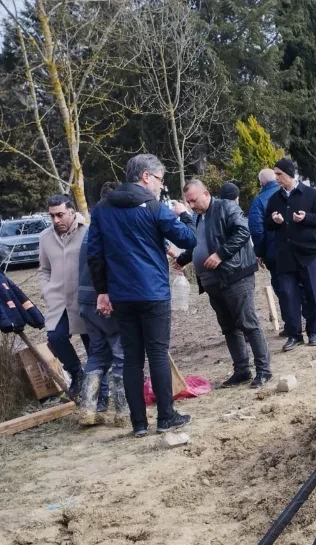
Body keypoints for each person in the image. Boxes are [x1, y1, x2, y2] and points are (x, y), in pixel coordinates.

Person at [86, 154, 197, 437]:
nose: (161, 185)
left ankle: (138, 423)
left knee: (132, 357)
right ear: (145, 177)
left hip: (122, 294)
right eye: (160, 179)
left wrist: (102, 291)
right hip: (152, 291)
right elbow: (189, 238)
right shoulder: (154, 207)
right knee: (157, 353)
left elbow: (94, 255)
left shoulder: (101, 209)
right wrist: (184, 214)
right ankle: (166, 417)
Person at [176, 179, 271, 388]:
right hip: (212, 281)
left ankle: (264, 370)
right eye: (188, 202)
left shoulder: (226, 207)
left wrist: (221, 254)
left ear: (206, 194)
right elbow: (198, 244)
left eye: (193, 200)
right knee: (228, 327)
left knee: (248, 323)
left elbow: (243, 232)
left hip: (235, 276)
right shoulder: (198, 217)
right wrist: (182, 259)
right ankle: (242, 370)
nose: (191, 205)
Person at [264, 157, 316, 351]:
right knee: (288, 295)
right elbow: (266, 224)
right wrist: (274, 220)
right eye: (275, 174)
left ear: (289, 174)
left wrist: (306, 218)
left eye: (279, 174)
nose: (276, 178)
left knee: (311, 293)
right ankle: (294, 335)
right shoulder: (274, 199)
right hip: (285, 255)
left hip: (308, 253)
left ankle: (313, 331)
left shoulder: (311, 194)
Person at [77, 182, 125, 427]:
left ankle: (87, 408)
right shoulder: (110, 228)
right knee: (122, 354)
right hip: (105, 300)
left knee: (97, 354)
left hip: (86, 301)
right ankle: (124, 411)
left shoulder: (90, 230)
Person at [38, 195, 89, 400]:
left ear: (72, 212)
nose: (55, 220)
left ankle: (98, 386)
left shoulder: (87, 232)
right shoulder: (45, 237)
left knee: (92, 343)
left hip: (84, 298)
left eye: (60, 215)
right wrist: (46, 290)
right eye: (52, 216)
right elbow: (44, 269)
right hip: (58, 300)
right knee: (56, 336)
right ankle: (76, 373)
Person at [249, 167, 297, 336]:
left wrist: (260, 252)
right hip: (295, 250)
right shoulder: (289, 193)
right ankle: (306, 322)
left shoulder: (259, 201)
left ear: (261, 183)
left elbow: (257, 230)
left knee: (283, 289)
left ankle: (291, 325)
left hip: (274, 253)